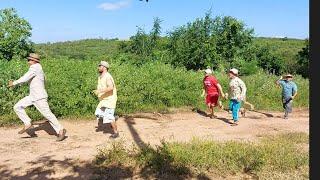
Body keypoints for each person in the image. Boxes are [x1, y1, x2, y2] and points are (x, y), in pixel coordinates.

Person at [8, 53, 67, 141]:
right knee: (17, 107)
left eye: (29, 59)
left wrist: (14, 83)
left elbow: (25, 78)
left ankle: (61, 130)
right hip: (33, 96)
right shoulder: (37, 68)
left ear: (33, 61)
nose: (28, 61)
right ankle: (28, 123)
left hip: (39, 97)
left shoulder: (35, 68)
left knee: (48, 114)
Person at [93, 60, 119, 138]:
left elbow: (111, 87)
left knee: (109, 117)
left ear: (104, 67)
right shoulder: (100, 77)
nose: (98, 67)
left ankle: (116, 133)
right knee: (98, 114)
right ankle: (114, 118)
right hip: (103, 100)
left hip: (110, 100)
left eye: (100, 66)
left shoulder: (108, 76)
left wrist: (99, 91)